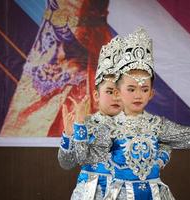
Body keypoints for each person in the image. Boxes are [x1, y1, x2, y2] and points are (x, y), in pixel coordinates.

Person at [69, 28, 190, 200]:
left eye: (144, 89)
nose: (137, 95)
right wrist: (78, 126)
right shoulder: (107, 126)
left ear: (151, 93)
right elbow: (85, 158)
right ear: (118, 92)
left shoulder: (158, 125)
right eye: (131, 89)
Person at [58, 36, 173, 200]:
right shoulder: (86, 124)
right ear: (96, 95)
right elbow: (66, 163)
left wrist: (158, 162)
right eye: (110, 92)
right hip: (93, 193)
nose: (117, 98)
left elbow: (165, 144)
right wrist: (68, 135)